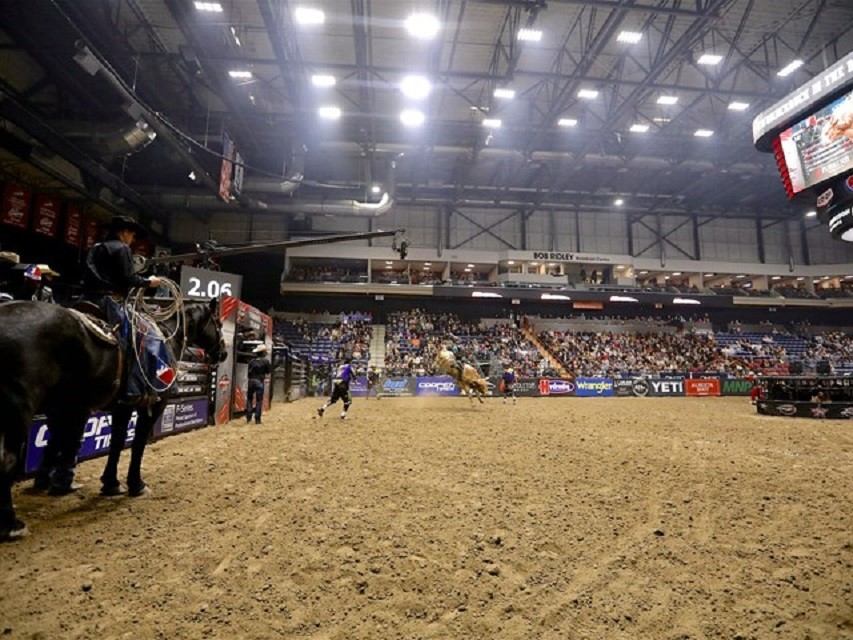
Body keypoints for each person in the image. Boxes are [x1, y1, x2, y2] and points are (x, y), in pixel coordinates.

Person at [246, 344, 272, 425]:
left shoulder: (251, 361)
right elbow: (268, 371)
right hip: (259, 381)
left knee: (249, 399)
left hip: (251, 381)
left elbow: (248, 373)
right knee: (259, 400)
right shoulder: (266, 361)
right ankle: (257, 419)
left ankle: (249, 416)